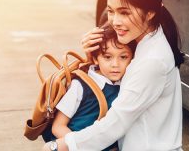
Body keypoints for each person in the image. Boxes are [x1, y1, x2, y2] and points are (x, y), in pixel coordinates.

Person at [43, 0, 184, 151]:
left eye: (124, 12)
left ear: (150, 13)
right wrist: (91, 57)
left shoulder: (152, 60)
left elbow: (115, 123)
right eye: (111, 11)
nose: (115, 21)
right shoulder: (144, 41)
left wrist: (62, 146)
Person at [44, 22, 135, 151]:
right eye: (107, 57)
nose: (115, 64)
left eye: (123, 57)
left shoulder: (127, 85)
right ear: (96, 59)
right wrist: (82, 145)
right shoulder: (81, 85)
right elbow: (58, 126)